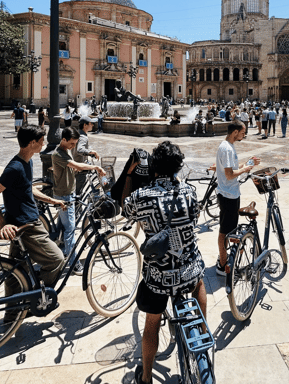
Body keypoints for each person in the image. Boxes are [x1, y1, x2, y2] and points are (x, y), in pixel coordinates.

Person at [124, 142, 206, 384]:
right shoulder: (190, 191)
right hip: (188, 269)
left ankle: (147, 377)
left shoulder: (142, 196)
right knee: (199, 279)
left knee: (152, 322)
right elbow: (194, 218)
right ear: (178, 167)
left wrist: (131, 174)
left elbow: (125, 211)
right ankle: (201, 328)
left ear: (154, 166)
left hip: (159, 276)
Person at [0, 125, 66, 317]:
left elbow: (28, 189)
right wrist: (2, 224)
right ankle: (36, 298)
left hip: (23, 223)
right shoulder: (15, 167)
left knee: (15, 271)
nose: (44, 144)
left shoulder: (26, 162)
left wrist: (51, 200)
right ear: (32, 143)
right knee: (56, 260)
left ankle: (12, 315)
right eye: (41, 141)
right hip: (27, 226)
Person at [51, 127, 106, 274]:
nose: (73, 147)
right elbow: (76, 165)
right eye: (72, 143)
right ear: (64, 140)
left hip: (68, 193)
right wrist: (95, 167)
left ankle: (60, 252)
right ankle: (73, 262)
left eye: (75, 143)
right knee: (70, 230)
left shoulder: (65, 150)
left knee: (62, 227)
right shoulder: (58, 154)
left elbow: (72, 167)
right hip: (64, 195)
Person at [214, 120, 259, 276]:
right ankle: (222, 265)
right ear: (235, 132)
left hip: (229, 193)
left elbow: (231, 169)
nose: (244, 134)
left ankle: (223, 258)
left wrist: (246, 164)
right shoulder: (227, 149)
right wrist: (245, 169)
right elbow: (229, 174)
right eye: (242, 132)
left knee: (228, 229)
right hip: (228, 195)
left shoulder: (227, 146)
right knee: (225, 231)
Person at [72, 116, 100, 199]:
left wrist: (90, 150)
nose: (93, 125)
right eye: (91, 123)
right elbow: (80, 150)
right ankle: (77, 210)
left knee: (77, 191)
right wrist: (92, 152)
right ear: (85, 125)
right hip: (80, 168)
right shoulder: (83, 137)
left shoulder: (78, 133)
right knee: (79, 194)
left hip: (76, 165)